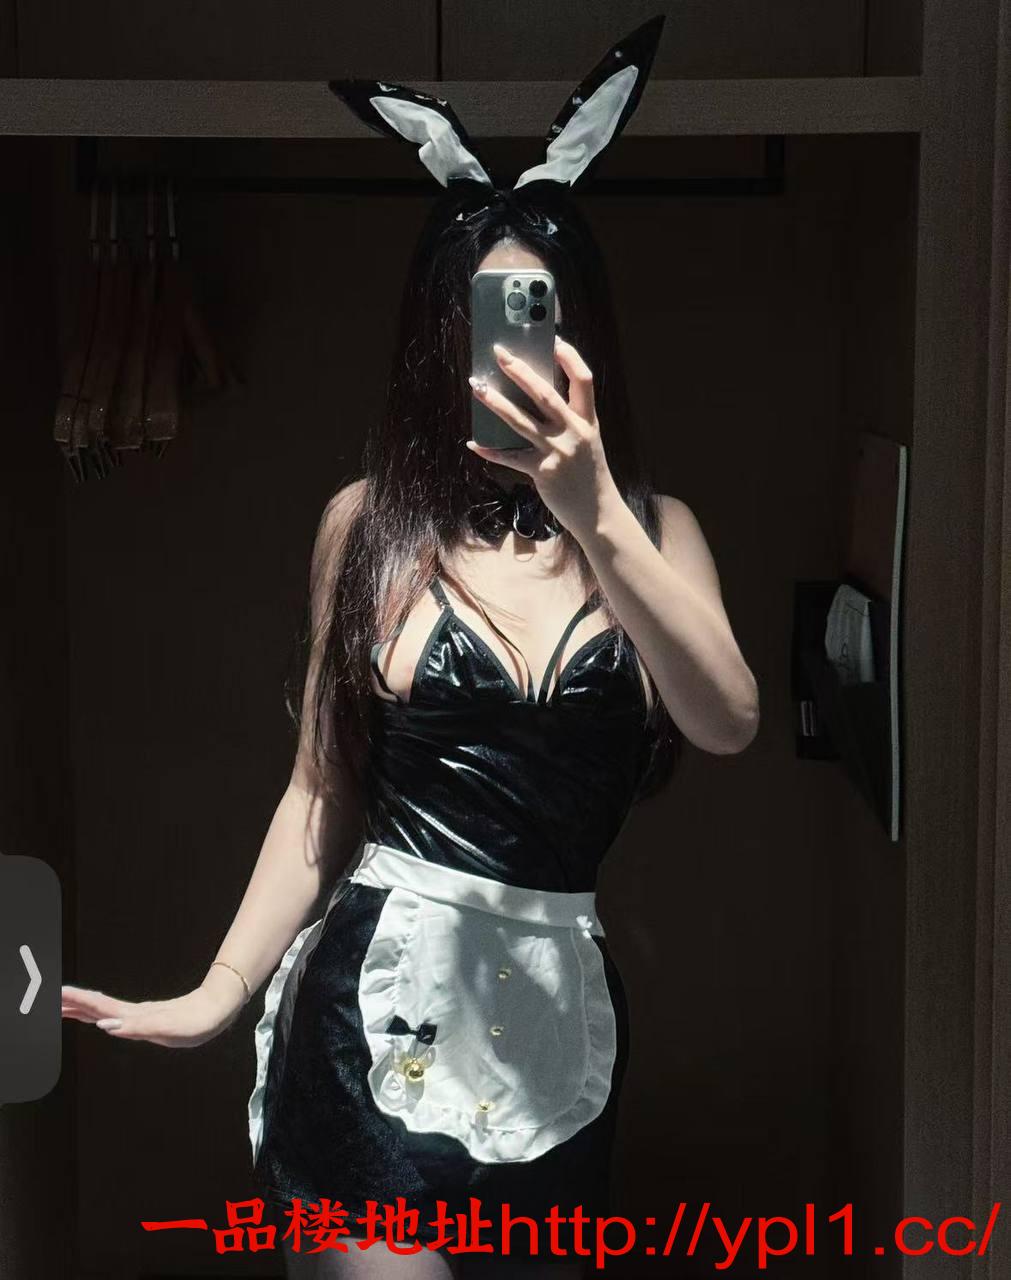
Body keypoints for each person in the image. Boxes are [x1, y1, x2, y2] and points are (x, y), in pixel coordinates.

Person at [62, 17, 759, 1279]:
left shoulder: (656, 532)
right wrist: (218, 990)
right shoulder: (368, 527)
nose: (511, 346)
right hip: (371, 1007)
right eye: (483, 314)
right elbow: (319, 788)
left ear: (584, 332)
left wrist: (595, 511)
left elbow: (727, 720)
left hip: (559, 1021)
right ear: (440, 333)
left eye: (539, 313)